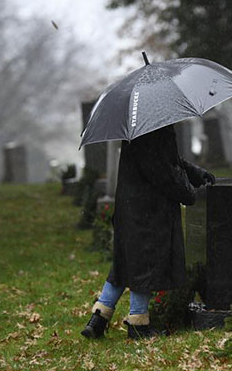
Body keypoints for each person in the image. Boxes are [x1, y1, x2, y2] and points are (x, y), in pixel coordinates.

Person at [81, 124, 215, 340]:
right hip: (148, 210)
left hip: (131, 206)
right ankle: (138, 324)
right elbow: (163, 171)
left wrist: (197, 174)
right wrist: (190, 193)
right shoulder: (151, 129)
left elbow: (170, 159)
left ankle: (98, 318)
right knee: (146, 264)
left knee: (125, 263)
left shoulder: (138, 126)